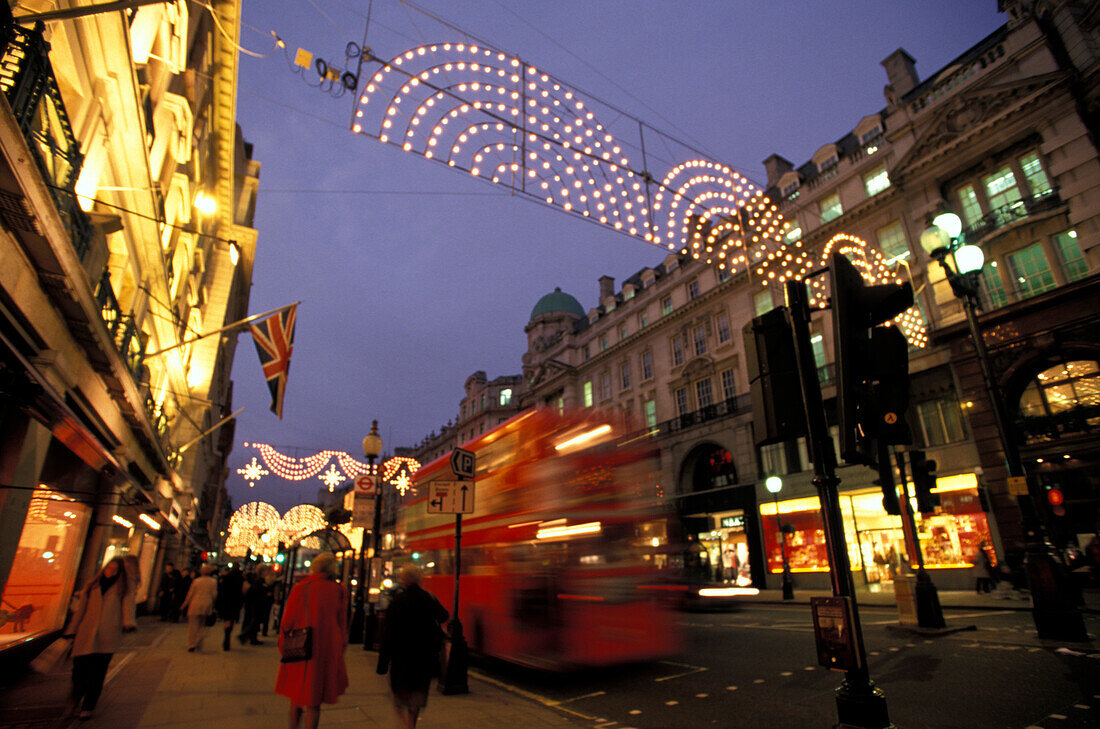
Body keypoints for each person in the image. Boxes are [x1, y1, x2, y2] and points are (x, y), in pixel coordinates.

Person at [275, 553, 348, 729]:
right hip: (326, 649)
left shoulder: (301, 588)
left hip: (301, 646)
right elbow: (343, 623)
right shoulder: (339, 590)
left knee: (297, 698)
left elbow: (288, 620)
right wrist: (340, 648)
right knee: (314, 702)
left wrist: (283, 644)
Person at [376, 565, 449, 729]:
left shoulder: (397, 601)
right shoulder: (428, 598)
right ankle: (411, 724)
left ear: (404, 579)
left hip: (401, 655)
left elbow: (388, 633)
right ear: (419, 579)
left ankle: (403, 720)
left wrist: (383, 662)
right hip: (423, 655)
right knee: (417, 692)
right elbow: (444, 615)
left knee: (398, 692)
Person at [64, 557, 136, 720]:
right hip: (86, 633)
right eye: (108, 568)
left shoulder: (123, 587)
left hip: (106, 635)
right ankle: (76, 696)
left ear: (120, 572)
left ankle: (88, 706)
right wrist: (72, 629)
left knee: (98, 673)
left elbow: (128, 605)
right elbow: (80, 611)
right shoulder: (92, 585)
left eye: (115, 569)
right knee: (79, 671)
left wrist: (128, 623)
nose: (111, 572)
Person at [180, 564, 219, 651]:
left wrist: (184, 605)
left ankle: (191, 644)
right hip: (207, 604)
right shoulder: (213, 582)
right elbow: (214, 595)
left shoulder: (196, 581)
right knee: (202, 624)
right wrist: (212, 605)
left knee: (192, 625)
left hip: (195, 604)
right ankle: (200, 638)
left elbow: (190, 594)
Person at [215, 565, 245, 651]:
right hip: (236, 602)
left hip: (226, 601)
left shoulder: (226, 578)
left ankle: (226, 634)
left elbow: (221, 591)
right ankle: (229, 632)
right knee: (232, 619)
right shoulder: (241, 578)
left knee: (227, 619)